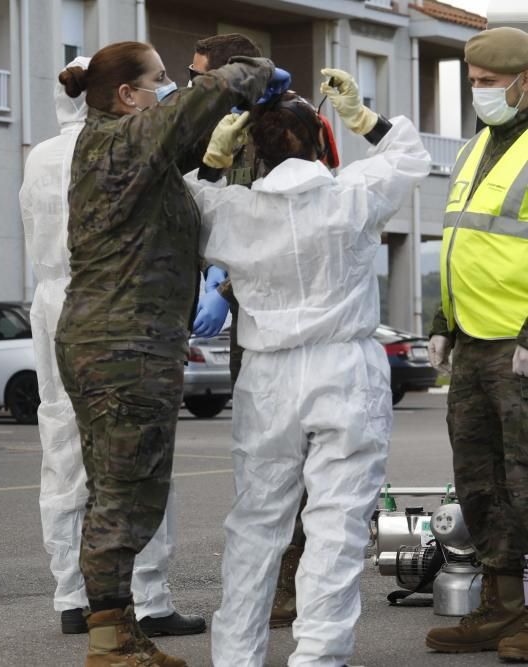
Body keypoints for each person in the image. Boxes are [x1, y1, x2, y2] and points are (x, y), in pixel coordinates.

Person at [185, 71, 430, 666]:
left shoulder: (233, 210)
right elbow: (410, 155)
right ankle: (318, 656)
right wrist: (364, 117)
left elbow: (184, 199)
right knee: (337, 525)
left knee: (256, 522)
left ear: (255, 152)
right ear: (321, 141)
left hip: (267, 376)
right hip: (344, 368)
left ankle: (236, 655)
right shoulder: (353, 194)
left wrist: (212, 162)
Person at [54, 40, 279, 666]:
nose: (167, 88)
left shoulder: (120, 146)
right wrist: (252, 74)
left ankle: (116, 626)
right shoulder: (119, 141)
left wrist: (211, 151)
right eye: (158, 81)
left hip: (122, 340)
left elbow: (177, 147)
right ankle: (109, 640)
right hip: (122, 345)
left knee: (120, 490)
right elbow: (205, 96)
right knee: (124, 497)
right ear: (129, 95)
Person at [24, 56, 204, 639]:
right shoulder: (131, 149)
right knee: (135, 461)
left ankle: (72, 597)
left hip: (55, 309)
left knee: (63, 456)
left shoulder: (40, 156)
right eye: (154, 84)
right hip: (121, 308)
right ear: (119, 94)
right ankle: (146, 599)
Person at [190, 32, 310, 631]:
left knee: (289, 452)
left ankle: (292, 580)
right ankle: (264, 577)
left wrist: (223, 284)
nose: (194, 87)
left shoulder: (285, 123)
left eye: (202, 76)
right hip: (246, 321)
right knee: (256, 452)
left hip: (284, 316)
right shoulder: (222, 131)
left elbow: (285, 231)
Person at [424, 27, 528, 659]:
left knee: (526, 479)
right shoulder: (472, 150)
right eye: (473, 84)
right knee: (479, 479)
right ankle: (500, 605)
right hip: (474, 343)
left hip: (520, 343)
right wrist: (443, 320)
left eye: (488, 85)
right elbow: (460, 243)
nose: (478, 94)